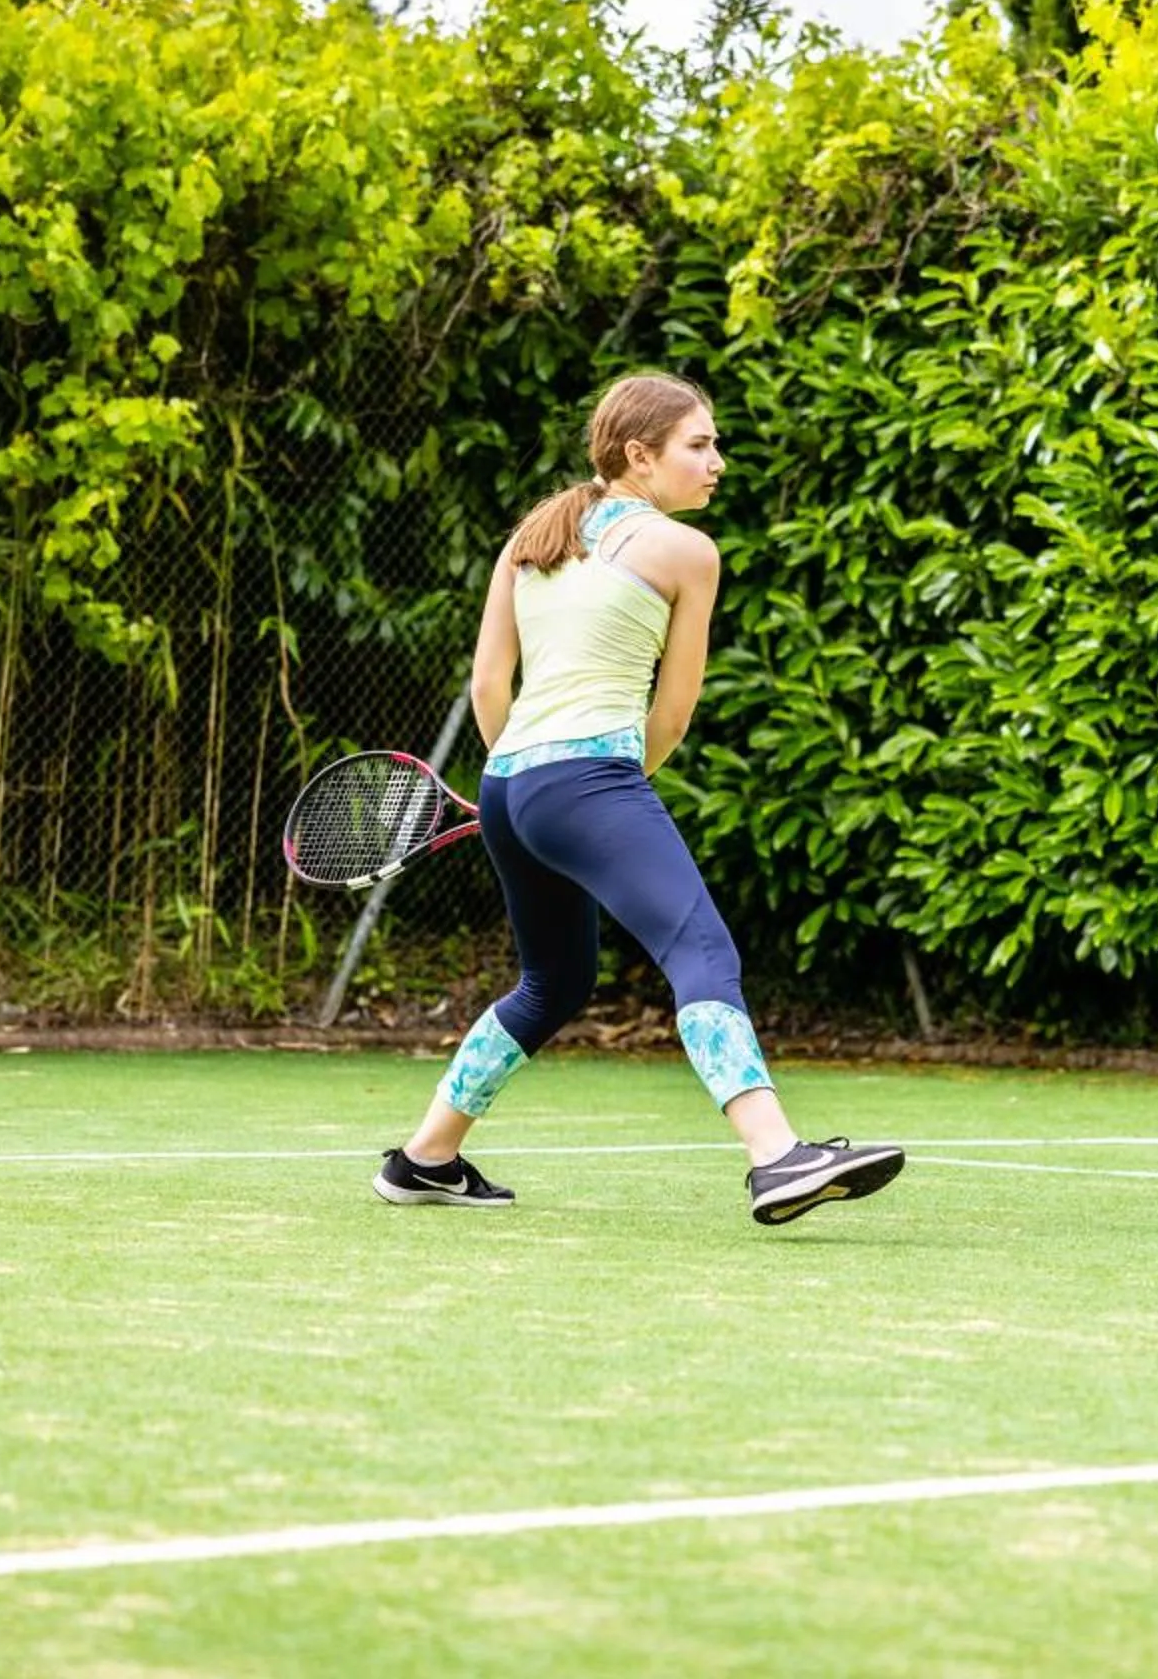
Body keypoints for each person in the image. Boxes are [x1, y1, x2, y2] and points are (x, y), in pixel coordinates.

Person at [374, 372, 905, 1227]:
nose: (717, 462)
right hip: (587, 779)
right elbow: (674, 709)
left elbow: (487, 686)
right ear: (639, 455)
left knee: (554, 982)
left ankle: (425, 1158)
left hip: (510, 783)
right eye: (699, 445)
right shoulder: (688, 553)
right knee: (700, 947)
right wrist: (608, 786)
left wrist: (524, 782)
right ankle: (776, 1157)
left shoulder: (532, 537)